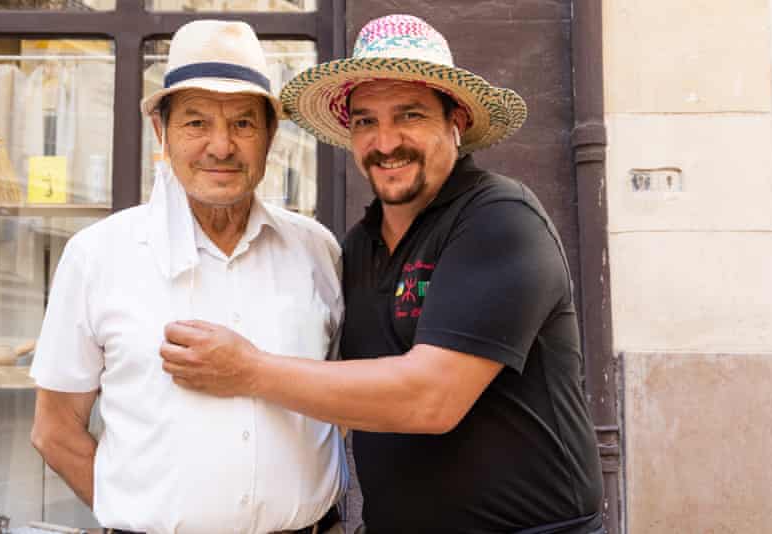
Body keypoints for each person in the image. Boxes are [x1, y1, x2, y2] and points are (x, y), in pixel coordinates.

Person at [160, 14, 606, 534]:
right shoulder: (356, 247)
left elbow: (431, 399)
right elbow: (340, 394)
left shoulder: (500, 219)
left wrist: (249, 370)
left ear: (455, 121)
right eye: (366, 121)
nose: (386, 141)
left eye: (409, 115)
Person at [30, 19, 347, 534]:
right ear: (162, 132)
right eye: (196, 123)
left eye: (243, 124)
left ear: (271, 135)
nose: (220, 147)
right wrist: (136, 516)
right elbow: (54, 432)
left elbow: (343, 400)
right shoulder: (98, 255)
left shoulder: (316, 250)